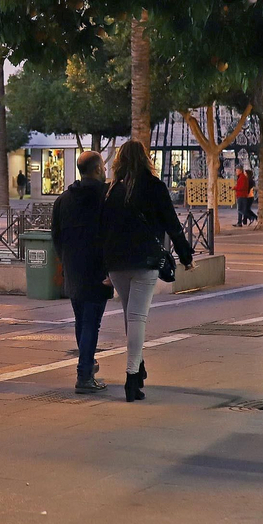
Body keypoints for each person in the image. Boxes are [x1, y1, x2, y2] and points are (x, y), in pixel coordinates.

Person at [100, 140, 194, 402]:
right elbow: (172, 224)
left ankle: (138, 369)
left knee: (130, 317)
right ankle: (131, 378)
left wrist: (104, 266)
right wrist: (186, 256)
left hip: (117, 264)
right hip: (145, 262)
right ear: (145, 159)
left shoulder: (112, 191)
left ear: (120, 161)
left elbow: (102, 231)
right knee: (137, 318)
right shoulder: (154, 187)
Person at [52, 151, 110, 394]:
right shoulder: (105, 197)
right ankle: (84, 373)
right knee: (91, 323)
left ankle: (87, 366)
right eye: (103, 167)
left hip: (73, 269)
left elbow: (56, 237)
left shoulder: (63, 200)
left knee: (82, 320)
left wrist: (65, 261)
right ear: (97, 169)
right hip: (98, 270)